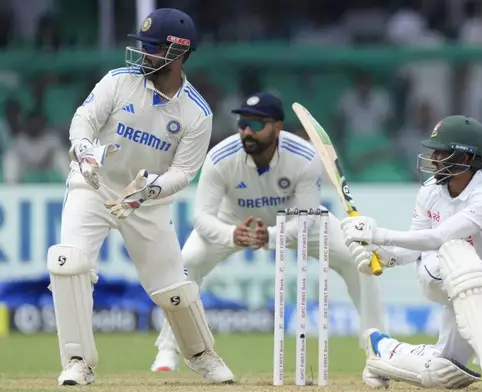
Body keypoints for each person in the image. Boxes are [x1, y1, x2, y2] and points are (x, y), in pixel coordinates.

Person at [150, 92, 388, 388]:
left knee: (359, 259)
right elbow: (202, 217)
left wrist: (271, 236)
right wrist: (231, 234)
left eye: (255, 124)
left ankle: (378, 350)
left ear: (277, 127)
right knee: (187, 263)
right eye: (242, 123)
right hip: (233, 221)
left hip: (300, 221)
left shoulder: (304, 157)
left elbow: (307, 217)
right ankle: (168, 349)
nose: (246, 131)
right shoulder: (220, 158)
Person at [47, 8, 233, 386]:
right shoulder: (119, 82)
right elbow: (84, 118)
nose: (143, 54)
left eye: (152, 48)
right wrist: (83, 148)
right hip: (93, 185)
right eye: (144, 45)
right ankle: (78, 362)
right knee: (69, 264)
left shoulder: (197, 113)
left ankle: (202, 355)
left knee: (173, 290)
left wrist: (148, 191)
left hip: (147, 200)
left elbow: (182, 173)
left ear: (178, 54)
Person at [341, 115, 482, 391]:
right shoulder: (430, 190)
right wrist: (385, 256)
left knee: (444, 371)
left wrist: (377, 235)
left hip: (477, 284)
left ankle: (380, 351)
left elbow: (438, 236)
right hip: (437, 272)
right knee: (457, 252)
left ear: (465, 159)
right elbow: (421, 245)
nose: (433, 158)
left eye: (442, 152)